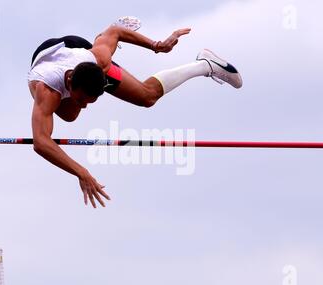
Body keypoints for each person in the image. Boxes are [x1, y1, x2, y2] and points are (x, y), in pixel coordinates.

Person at [28, 23, 242, 208]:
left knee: (147, 97)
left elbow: (115, 31)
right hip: (49, 59)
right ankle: (95, 47)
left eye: (90, 102)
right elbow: (41, 142)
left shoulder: (99, 60)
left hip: (84, 53)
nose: (85, 106)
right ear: (69, 84)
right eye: (83, 100)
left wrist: (157, 46)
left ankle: (205, 65)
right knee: (70, 115)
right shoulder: (47, 90)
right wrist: (81, 172)